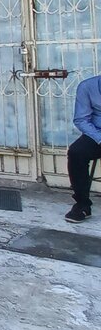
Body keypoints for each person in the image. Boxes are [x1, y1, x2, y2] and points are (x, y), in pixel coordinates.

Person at [67, 74, 101, 223]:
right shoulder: (87, 87)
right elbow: (81, 119)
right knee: (76, 152)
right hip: (97, 134)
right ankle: (82, 204)